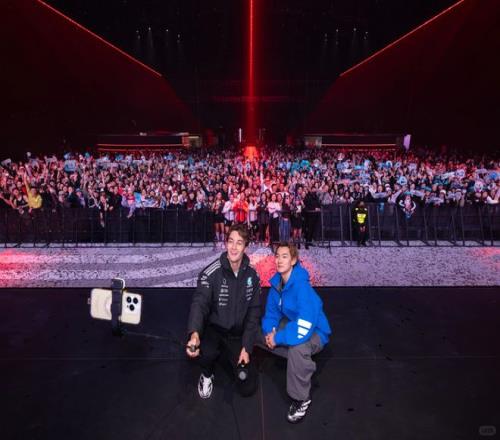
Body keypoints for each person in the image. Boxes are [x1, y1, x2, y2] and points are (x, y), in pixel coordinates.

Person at [186, 224, 261, 399]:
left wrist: (246, 347)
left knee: (247, 387)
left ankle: (225, 355)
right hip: (214, 330)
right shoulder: (210, 273)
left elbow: (254, 313)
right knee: (204, 353)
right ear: (226, 243)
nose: (234, 247)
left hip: (236, 334)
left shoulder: (253, 276)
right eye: (231, 241)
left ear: (246, 246)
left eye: (239, 243)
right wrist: (194, 334)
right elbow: (199, 304)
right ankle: (207, 373)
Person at [261, 242, 332, 423]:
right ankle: (297, 360)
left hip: (315, 330)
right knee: (258, 331)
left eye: (284, 256)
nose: (279, 260)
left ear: (293, 260)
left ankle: (302, 398)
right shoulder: (277, 284)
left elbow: (304, 326)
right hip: (294, 323)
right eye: (277, 256)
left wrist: (278, 338)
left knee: (297, 348)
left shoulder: (302, 287)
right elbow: (271, 314)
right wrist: (270, 333)